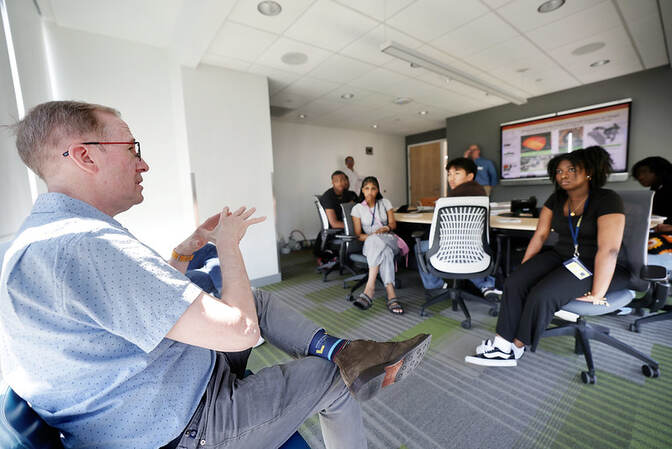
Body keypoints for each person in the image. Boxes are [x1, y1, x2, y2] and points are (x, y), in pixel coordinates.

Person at [0, 101, 431, 449]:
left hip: (156, 386)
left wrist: (182, 253)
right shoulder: (86, 247)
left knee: (255, 301)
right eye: (132, 148)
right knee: (327, 378)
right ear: (84, 155)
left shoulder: (55, 236)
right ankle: (345, 361)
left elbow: (136, 307)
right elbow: (241, 333)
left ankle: (346, 349)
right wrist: (228, 246)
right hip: (180, 426)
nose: (143, 163)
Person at [465, 146, 629, 367]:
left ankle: (517, 345)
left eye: (572, 169)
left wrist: (598, 292)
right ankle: (502, 344)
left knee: (543, 293)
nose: (564, 175)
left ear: (588, 172)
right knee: (514, 282)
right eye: (559, 171)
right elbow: (540, 235)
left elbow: (609, 249)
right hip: (563, 255)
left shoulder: (607, 199)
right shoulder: (556, 199)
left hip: (595, 263)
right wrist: (525, 270)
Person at [417, 157, 502, 300]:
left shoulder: (450, 198)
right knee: (467, 254)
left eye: (457, 173)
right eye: (449, 174)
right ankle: (486, 284)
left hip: (450, 247)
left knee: (419, 246)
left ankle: (435, 286)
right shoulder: (481, 194)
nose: (451, 178)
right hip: (475, 248)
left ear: (470, 176)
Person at [350, 176, 404, 315]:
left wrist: (385, 229)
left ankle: (369, 288)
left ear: (377, 190)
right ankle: (391, 295)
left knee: (382, 244)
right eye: (367, 188)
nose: (370, 192)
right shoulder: (357, 209)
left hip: (389, 239)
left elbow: (393, 224)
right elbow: (358, 235)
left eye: (373, 188)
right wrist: (373, 237)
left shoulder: (385, 202)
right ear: (362, 190)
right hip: (370, 242)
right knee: (385, 252)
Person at [632, 156, 672, 272]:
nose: (640, 177)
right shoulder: (657, 188)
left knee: (647, 245)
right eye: (638, 174)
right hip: (659, 230)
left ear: (658, 170)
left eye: (644, 172)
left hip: (667, 232)